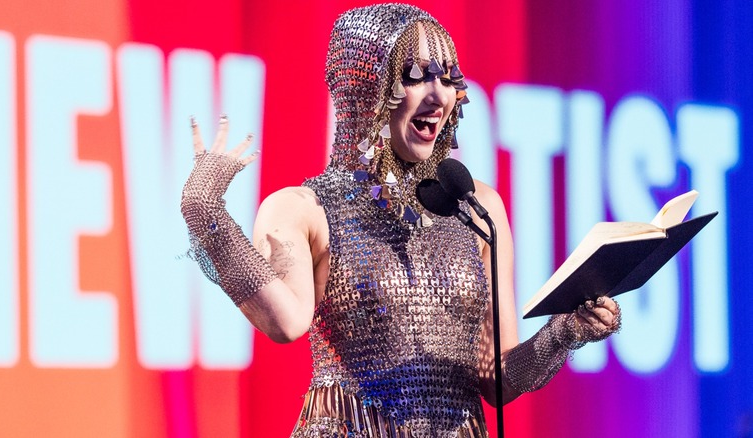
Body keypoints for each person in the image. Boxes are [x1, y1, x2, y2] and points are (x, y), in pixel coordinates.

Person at [180, 4, 621, 437]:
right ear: (366, 90)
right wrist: (204, 209)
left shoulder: (475, 205)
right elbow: (286, 322)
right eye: (415, 76)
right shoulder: (303, 208)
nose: (439, 95)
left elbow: (497, 381)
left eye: (448, 78)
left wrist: (565, 332)